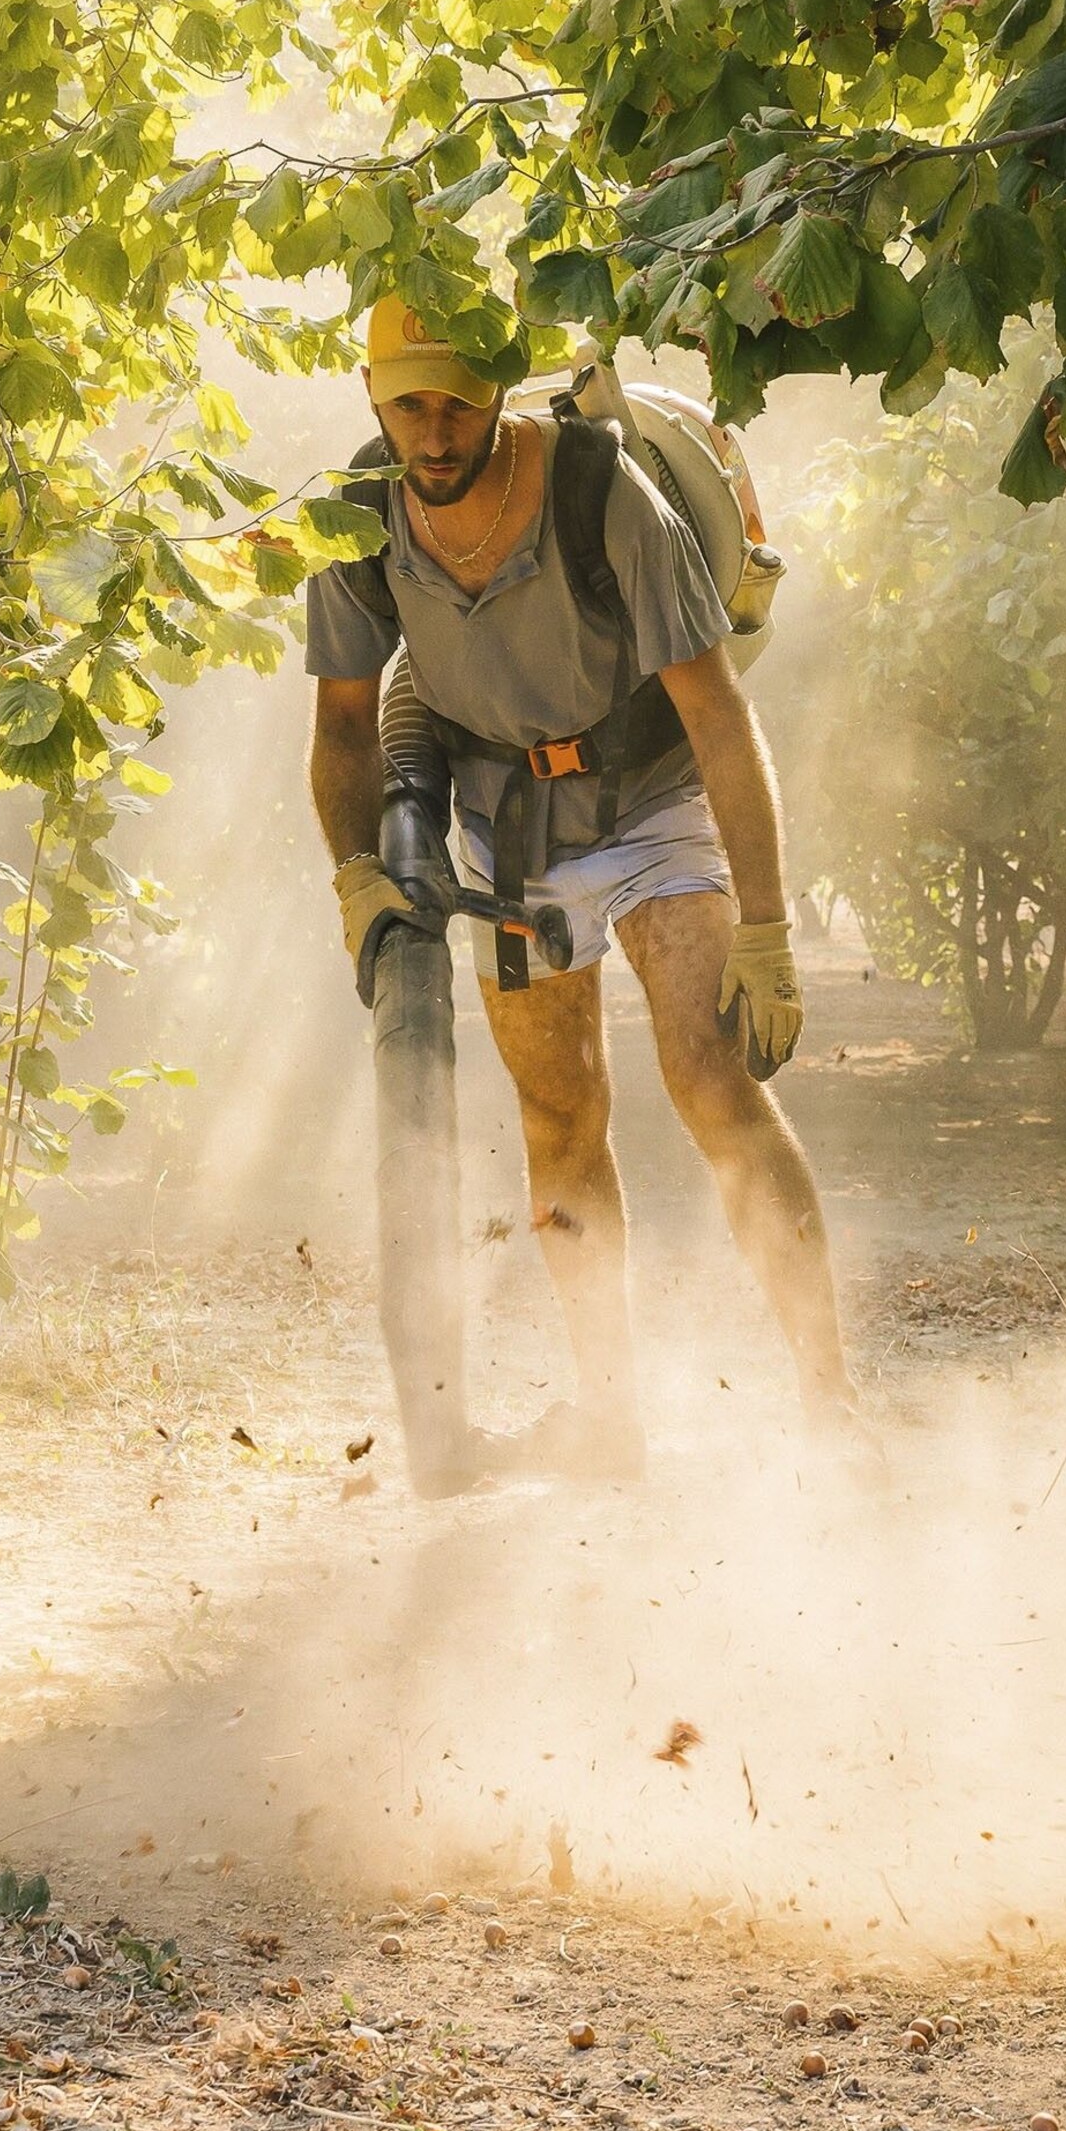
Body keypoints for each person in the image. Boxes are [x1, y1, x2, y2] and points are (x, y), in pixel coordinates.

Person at [306, 299, 859, 1481]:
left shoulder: (599, 489)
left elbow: (715, 712)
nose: (436, 429)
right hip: (509, 834)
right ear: (372, 398)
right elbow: (347, 725)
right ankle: (609, 1420)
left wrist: (764, 928)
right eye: (409, 402)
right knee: (559, 1120)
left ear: (498, 392)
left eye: (458, 399)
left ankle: (831, 1405)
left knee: (710, 1080)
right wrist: (356, 870)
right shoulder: (357, 518)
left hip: (654, 792)